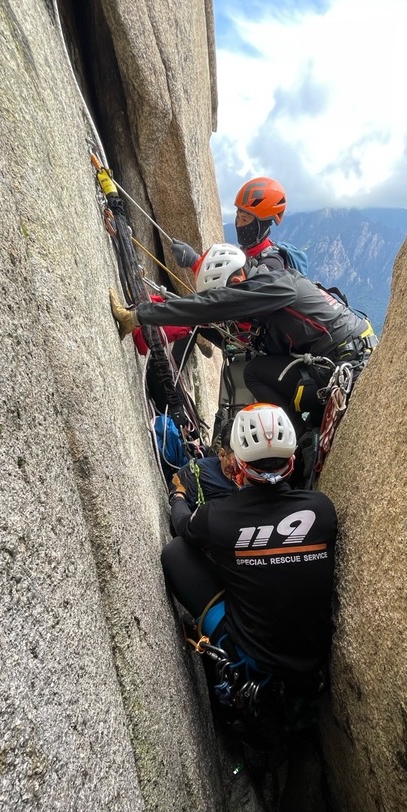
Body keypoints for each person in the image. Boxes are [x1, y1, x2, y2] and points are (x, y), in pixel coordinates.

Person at [109, 243, 377, 438]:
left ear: (237, 280)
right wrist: (194, 262)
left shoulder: (273, 287)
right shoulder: (271, 283)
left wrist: (140, 315)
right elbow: (213, 310)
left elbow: (212, 305)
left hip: (345, 364)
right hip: (349, 354)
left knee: (255, 374)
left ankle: (298, 439)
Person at [161, 404, 337, 695]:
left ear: (239, 466)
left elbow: (182, 525)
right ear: (292, 462)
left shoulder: (217, 516)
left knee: (176, 552)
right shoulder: (322, 508)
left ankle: (231, 656)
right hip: (312, 656)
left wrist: (178, 495)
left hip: (255, 661)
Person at [170, 176, 289, 275]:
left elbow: (236, 292)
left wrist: (195, 261)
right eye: (238, 216)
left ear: (263, 225)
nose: (239, 224)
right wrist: (195, 261)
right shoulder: (246, 253)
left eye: (244, 219)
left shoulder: (273, 265)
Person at [168, 420, 239, 519]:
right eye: (239, 463)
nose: (244, 471)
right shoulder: (197, 473)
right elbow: (178, 491)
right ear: (222, 455)